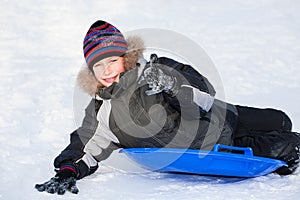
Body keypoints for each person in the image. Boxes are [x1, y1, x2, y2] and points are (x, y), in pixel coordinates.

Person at [35, 20, 300, 195]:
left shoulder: (155, 69)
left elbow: (204, 93)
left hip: (220, 114)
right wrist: (69, 169)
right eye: (98, 66)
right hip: (214, 144)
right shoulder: (101, 110)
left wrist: (172, 84)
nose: (106, 71)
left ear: (125, 58)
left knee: (280, 120)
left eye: (111, 61)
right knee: (290, 143)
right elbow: (84, 144)